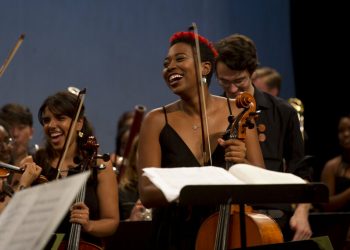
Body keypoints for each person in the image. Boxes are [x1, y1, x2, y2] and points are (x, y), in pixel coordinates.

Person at [137, 31, 264, 250]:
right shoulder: (155, 120)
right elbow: (147, 192)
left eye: (180, 59)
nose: (170, 67)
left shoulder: (238, 110)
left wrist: (242, 162)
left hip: (227, 229)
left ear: (205, 67)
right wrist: (198, 184)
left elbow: (260, 182)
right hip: (173, 235)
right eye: (166, 63)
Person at [214, 33, 313, 241]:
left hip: (272, 212)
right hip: (223, 215)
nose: (232, 90)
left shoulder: (282, 111)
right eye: (224, 82)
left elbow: (301, 168)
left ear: (252, 72)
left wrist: (302, 213)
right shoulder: (211, 112)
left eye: (239, 81)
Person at [28, 91, 119, 248]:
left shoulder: (99, 165)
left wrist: (88, 224)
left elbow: (111, 222)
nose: (51, 125)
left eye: (60, 118)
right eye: (46, 120)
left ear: (79, 123)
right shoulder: (35, 164)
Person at [320, 114, 350, 249]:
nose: (345, 134)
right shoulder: (331, 167)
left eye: (349, 129)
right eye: (341, 131)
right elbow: (327, 205)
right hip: (338, 232)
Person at [0, 118, 42, 213]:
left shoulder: (7, 177)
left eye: (7, 140)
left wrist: (17, 182)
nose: (5, 147)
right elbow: (6, 218)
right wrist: (23, 185)